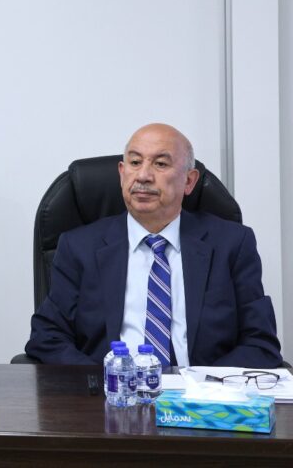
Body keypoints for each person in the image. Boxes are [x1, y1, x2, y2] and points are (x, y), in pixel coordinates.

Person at [26, 123, 282, 367]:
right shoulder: (79, 247)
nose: (143, 176)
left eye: (160, 164)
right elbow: (48, 336)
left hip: (200, 393)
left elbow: (260, 343)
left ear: (189, 181)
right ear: (121, 173)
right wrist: (104, 381)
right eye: (135, 162)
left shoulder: (231, 244)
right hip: (110, 390)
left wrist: (205, 386)